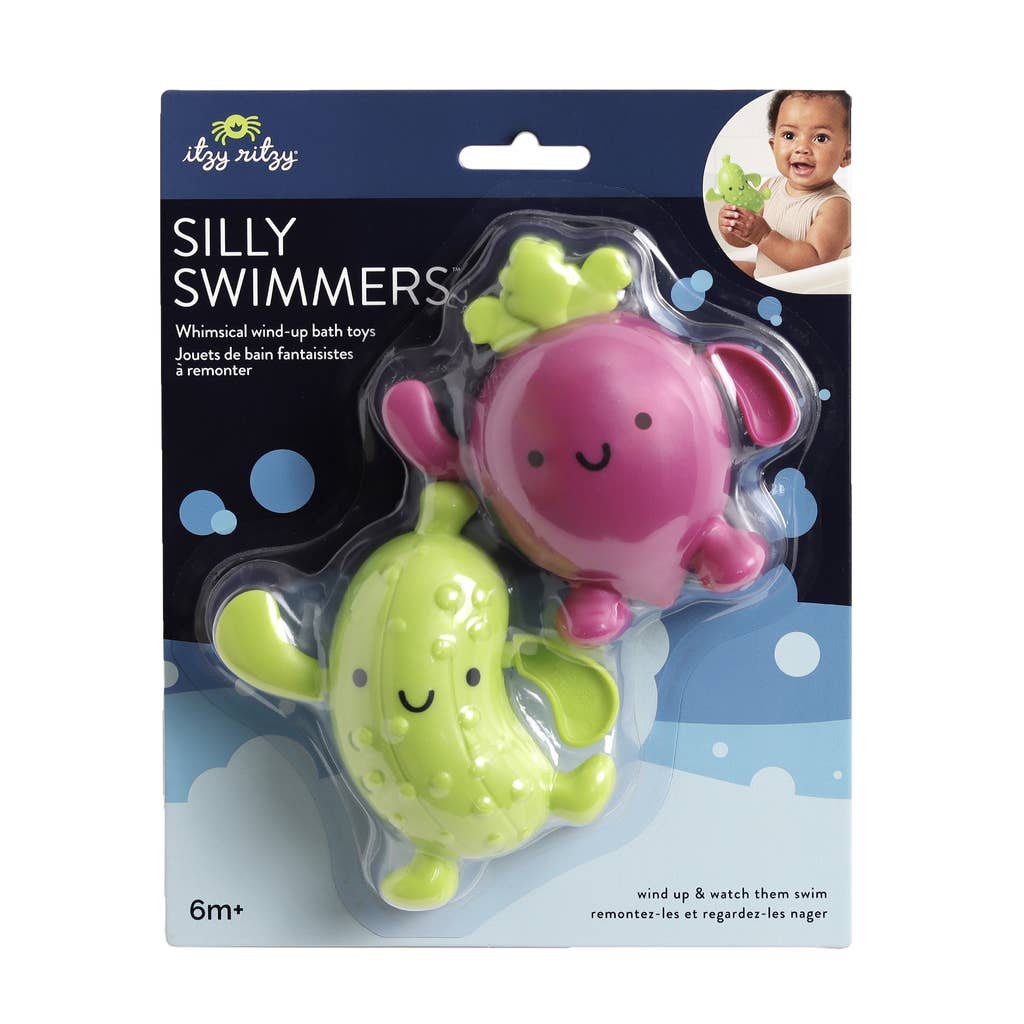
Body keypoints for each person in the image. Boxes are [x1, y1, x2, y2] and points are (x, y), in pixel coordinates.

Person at [721, 90, 851, 278]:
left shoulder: (835, 205)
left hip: (803, 292)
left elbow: (815, 262)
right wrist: (734, 225)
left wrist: (763, 236)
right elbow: (744, 240)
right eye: (789, 135)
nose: (802, 148)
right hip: (766, 282)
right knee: (722, 269)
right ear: (773, 146)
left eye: (820, 138)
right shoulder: (770, 188)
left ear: (846, 155)